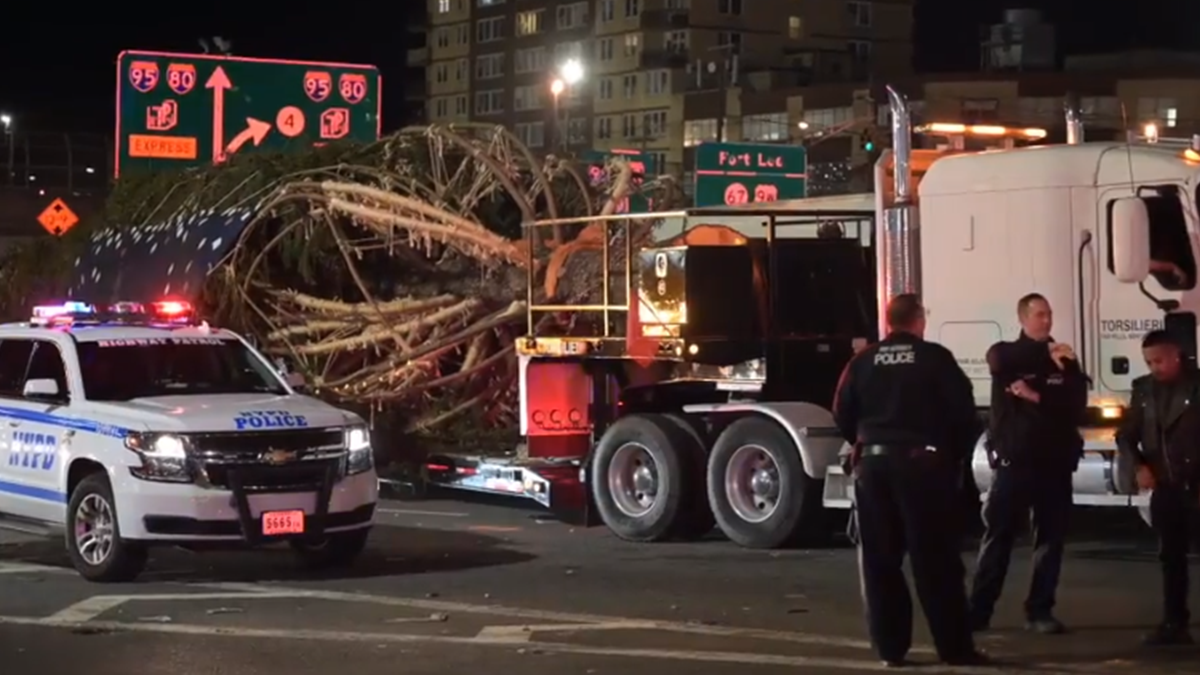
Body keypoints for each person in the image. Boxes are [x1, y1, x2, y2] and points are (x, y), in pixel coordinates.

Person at [833, 293, 986, 667]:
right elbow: (964, 413)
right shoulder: (935, 358)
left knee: (880, 562)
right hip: (923, 468)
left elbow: (841, 412)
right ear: (919, 321)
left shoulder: (862, 361)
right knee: (936, 561)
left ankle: (891, 650)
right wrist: (949, 455)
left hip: (874, 468)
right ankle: (954, 649)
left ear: (889, 322)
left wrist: (865, 442)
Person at [968, 293, 1088, 635]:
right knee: (999, 536)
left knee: (1050, 540)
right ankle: (978, 612)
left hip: (1055, 462)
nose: (1046, 320)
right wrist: (1044, 355)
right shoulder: (1008, 354)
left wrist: (1037, 395)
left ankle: (1039, 610)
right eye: (1039, 315)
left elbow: (1075, 403)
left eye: (1049, 314)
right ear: (1023, 319)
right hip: (1015, 461)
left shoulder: (1065, 358)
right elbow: (997, 359)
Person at [1115, 329, 1200, 646]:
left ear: (1176, 355)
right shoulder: (1144, 390)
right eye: (1149, 362)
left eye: (1160, 360)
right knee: (1171, 558)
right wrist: (1139, 466)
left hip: (1195, 481)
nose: (1155, 367)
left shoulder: (1196, 386)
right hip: (1166, 484)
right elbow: (1126, 434)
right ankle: (1174, 623)